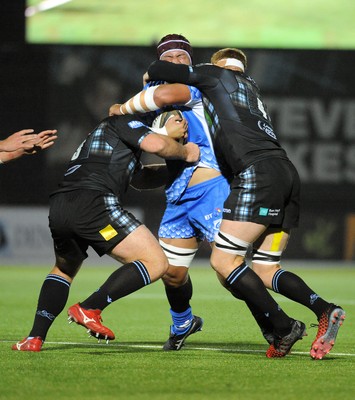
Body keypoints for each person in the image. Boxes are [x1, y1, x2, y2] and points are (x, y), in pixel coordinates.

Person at [136, 47, 346, 359]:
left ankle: (283, 325)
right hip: (287, 173)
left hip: (258, 175)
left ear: (216, 68)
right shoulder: (251, 91)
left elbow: (160, 70)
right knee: (264, 268)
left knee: (223, 262)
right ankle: (324, 309)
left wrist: (132, 100)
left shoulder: (215, 79)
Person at [12, 112, 199, 352]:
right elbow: (158, 144)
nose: (184, 126)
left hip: (63, 204)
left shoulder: (116, 137)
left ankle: (34, 338)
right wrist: (187, 152)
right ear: (157, 122)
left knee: (64, 268)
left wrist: (179, 166)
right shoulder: (125, 122)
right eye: (177, 120)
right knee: (156, 263)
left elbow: (141, 179)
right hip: (95, 202)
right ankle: (91, 307)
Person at [110, 34, 231, 351]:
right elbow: (123, 122)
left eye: (183, 57)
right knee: (173, 273)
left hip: (213, 184)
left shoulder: (200, 86)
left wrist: (129, 102)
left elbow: (154, 98)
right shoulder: (151, 96)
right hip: (180, 194)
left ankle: (279, 324)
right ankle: (183, 323)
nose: (178, 61)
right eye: (171, 57)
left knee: (230, 267)